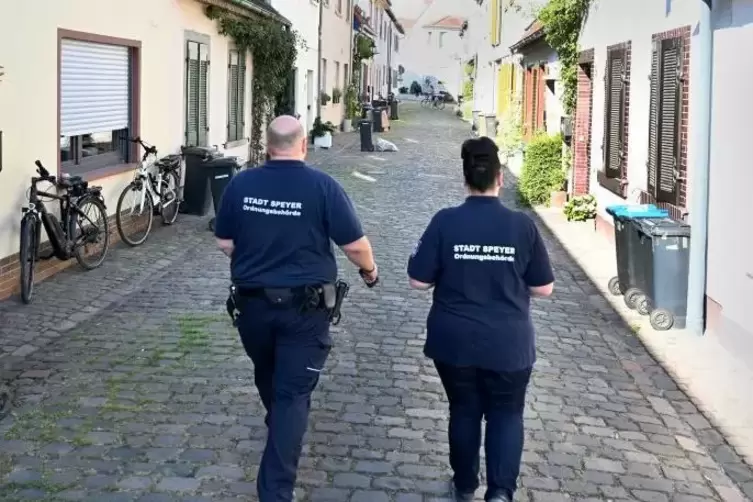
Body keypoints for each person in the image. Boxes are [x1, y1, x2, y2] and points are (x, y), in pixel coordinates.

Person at [214, 115, 378, 502]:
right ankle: (275, 491)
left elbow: (224, 242)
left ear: (269, 146)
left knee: (269, 376)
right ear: (303, 145)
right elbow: (354, 246)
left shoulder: (242, 184)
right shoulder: (322, 187)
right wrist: (370, 271)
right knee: (290, 396)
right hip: (305, 311)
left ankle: (283, 429)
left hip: (252, 307)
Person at [406, 136, 554, 502]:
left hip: (453, 342)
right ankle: (501, 493)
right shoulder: (523, 226)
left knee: (464, 408)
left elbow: (418, 280)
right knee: (506, 413)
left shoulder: (445, 222)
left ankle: (465, 485)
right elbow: (544, 288)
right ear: (500, 178)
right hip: (508, 344)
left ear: (465, 179)